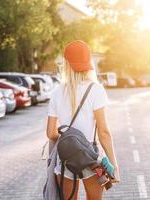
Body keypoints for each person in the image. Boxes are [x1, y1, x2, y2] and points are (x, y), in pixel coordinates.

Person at [46, 40, 120, 200]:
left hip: (65, 160)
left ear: (66, 64)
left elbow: (51, 133)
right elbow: (104, 132)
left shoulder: (57, 92)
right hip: (91, 158)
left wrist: (69, 141)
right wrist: (114, 165)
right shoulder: (96, 90)